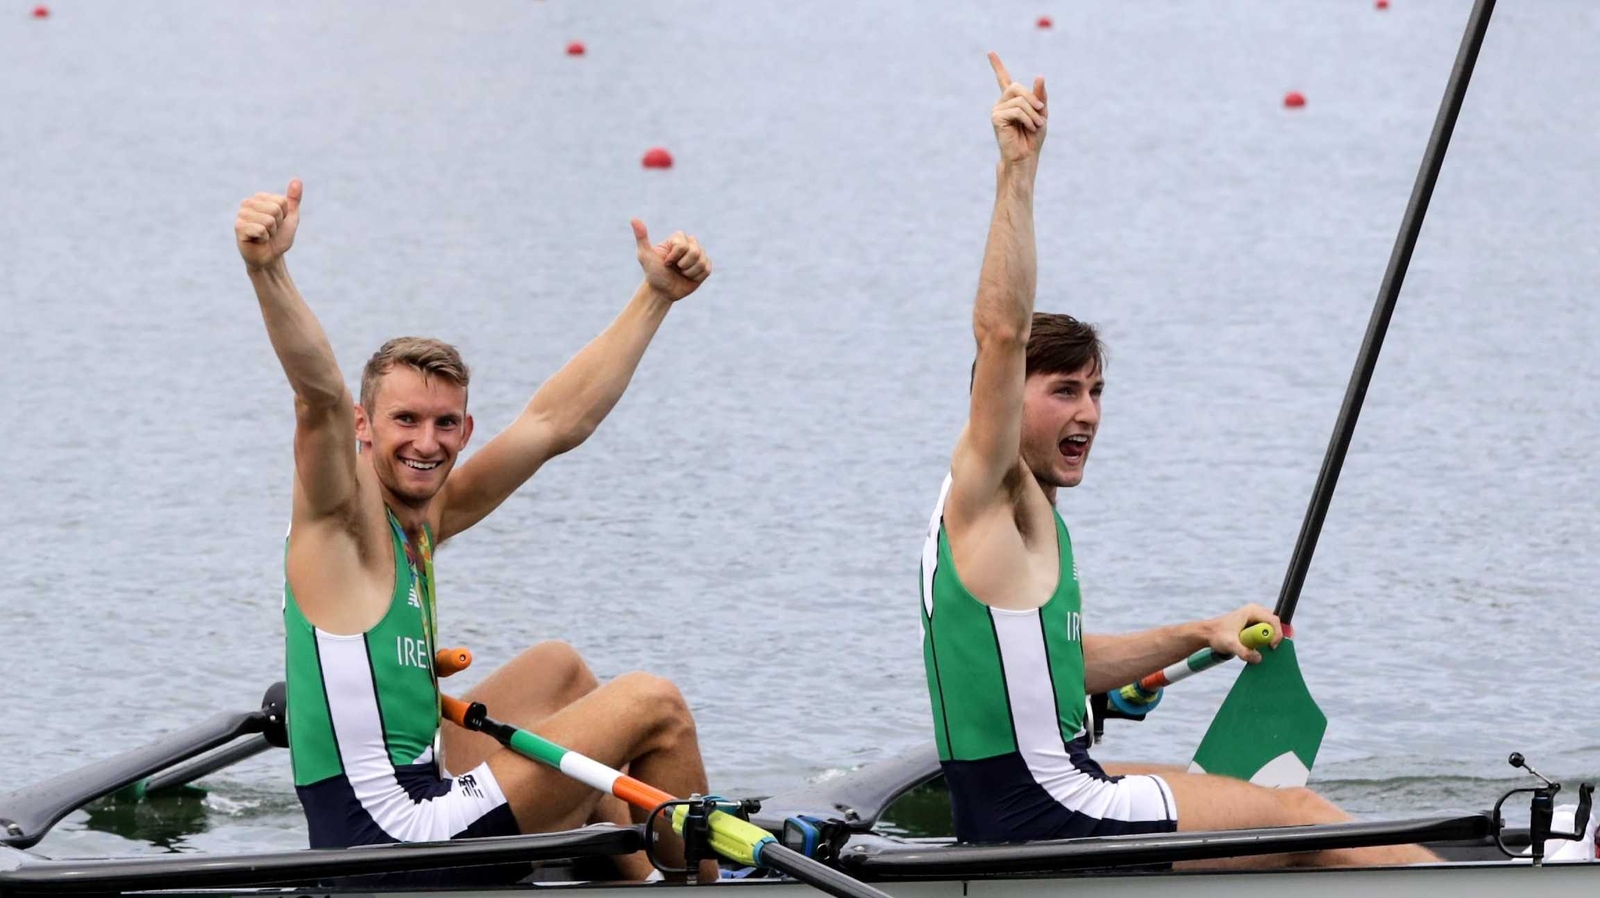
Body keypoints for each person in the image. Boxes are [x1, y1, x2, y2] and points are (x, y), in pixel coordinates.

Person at [917, 53, 1437, 866]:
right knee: (1297, 814)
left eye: (1096, 390)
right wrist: (1017, 173)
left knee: (1222, 787)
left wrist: (1204, 631)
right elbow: (1000, 333)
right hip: (1046, 815)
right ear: (1004, 399)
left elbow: (1065, 665)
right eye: (1063, 391)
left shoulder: (1022, 524)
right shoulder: (986, 489)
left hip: (1024, 798)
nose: (1087, 412)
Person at [235, 179, 719, 882]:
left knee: (561, 671)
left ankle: (629, 875)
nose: (425, 444)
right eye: (405, 420)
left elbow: (555, 423)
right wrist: (267, 268)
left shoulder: (427, 512)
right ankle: (710, 883)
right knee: (656, 706)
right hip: (391, 841)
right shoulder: (340, 522)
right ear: (364, 427)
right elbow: (316, 396)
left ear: (465, 430)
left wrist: (655, 298)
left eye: (443, 424)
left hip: (412, 791)